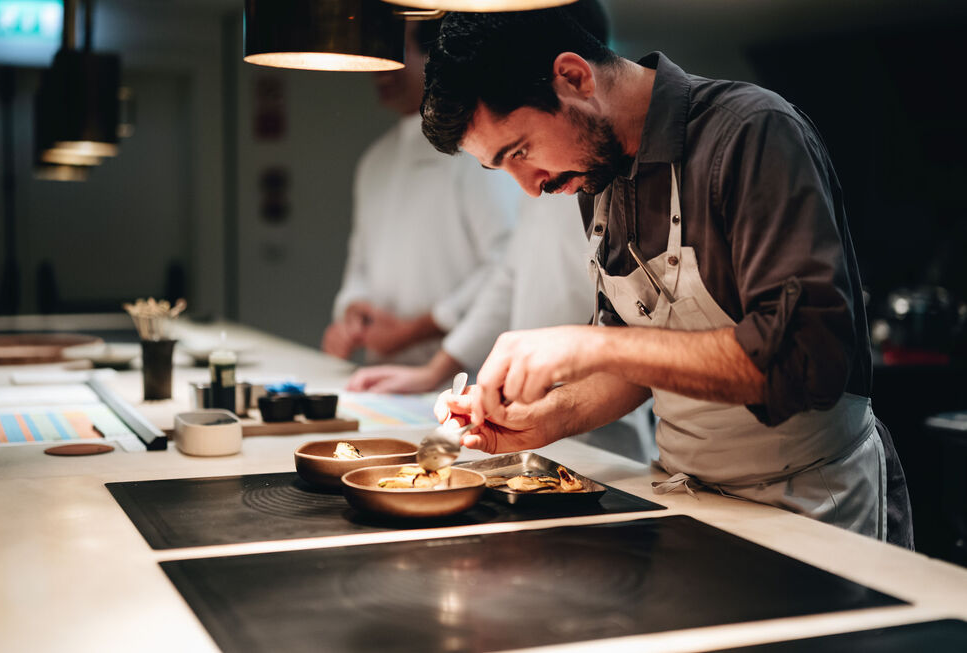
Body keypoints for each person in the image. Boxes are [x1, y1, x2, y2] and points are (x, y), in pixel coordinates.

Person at [421, 8, 913, 547]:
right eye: (504, 167)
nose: (530, 187)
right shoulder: (597, 174)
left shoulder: (751, 133)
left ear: (574, 77)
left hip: (817, 505)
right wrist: (544, 419)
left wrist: (589, 346)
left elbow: (804, 360)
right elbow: (641, 368)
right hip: (691, 499)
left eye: (521, 151)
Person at [321, 20, 518, 368]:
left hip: (462, 374)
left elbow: (506, 261)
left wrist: (422, 327)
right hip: (380, 376)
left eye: (395, 49)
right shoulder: (375, 159)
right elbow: (360, 265)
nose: (380, 65)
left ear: (435, 56)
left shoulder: (477, 153)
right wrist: (352, 310)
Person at [345, 192, 594, 393]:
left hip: (599, 401)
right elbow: (507, 280)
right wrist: (434, 372)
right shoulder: (535, 191)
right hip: (534, 393)